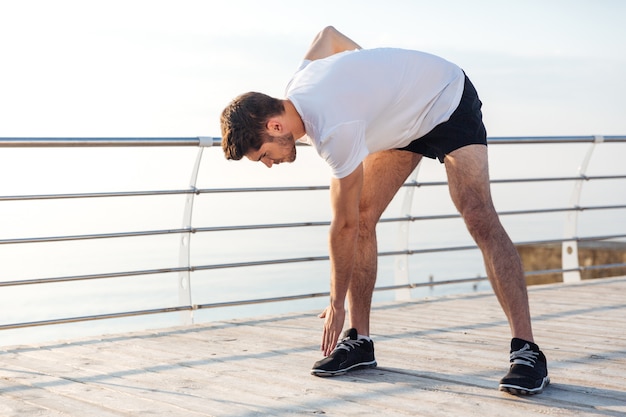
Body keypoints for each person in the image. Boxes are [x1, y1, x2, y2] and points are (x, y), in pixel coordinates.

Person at [220, 26, 549, 395]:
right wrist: (374, 81)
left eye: (264, 154)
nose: (268, 164)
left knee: (476, 213)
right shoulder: (299, 85)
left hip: (444, 98)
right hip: (401, 123)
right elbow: (327, 36)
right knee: (364, 214)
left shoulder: (334, 129)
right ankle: (360, 341)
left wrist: (335, 305)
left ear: (275, 126)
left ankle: (527, 351)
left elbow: (340, 227)